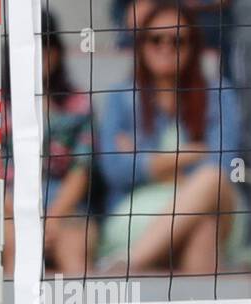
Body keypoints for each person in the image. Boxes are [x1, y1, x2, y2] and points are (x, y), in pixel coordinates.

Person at [97, 1, 242, 275]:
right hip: (137, 214)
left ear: (193, 47)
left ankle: (128, 264)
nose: (166, 47)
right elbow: (113, 170)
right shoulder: (120, 96)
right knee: (202, 227)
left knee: (211, 182)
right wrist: (187, 156)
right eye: (156, 39)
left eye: (178, 40)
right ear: (140, 45)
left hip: (214, 204)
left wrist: (148, 162)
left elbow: (224, 166)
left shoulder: (219, 93)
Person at [0, 8, 96, 276]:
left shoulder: (78, 103)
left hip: (64, 206)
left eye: (45, 48)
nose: (37, 57)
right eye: (28, 48)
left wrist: (53, 218)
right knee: (13, 244)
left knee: (74, 247)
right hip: (3, 206)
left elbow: (82, 168)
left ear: (57, 52)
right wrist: (21, 216)